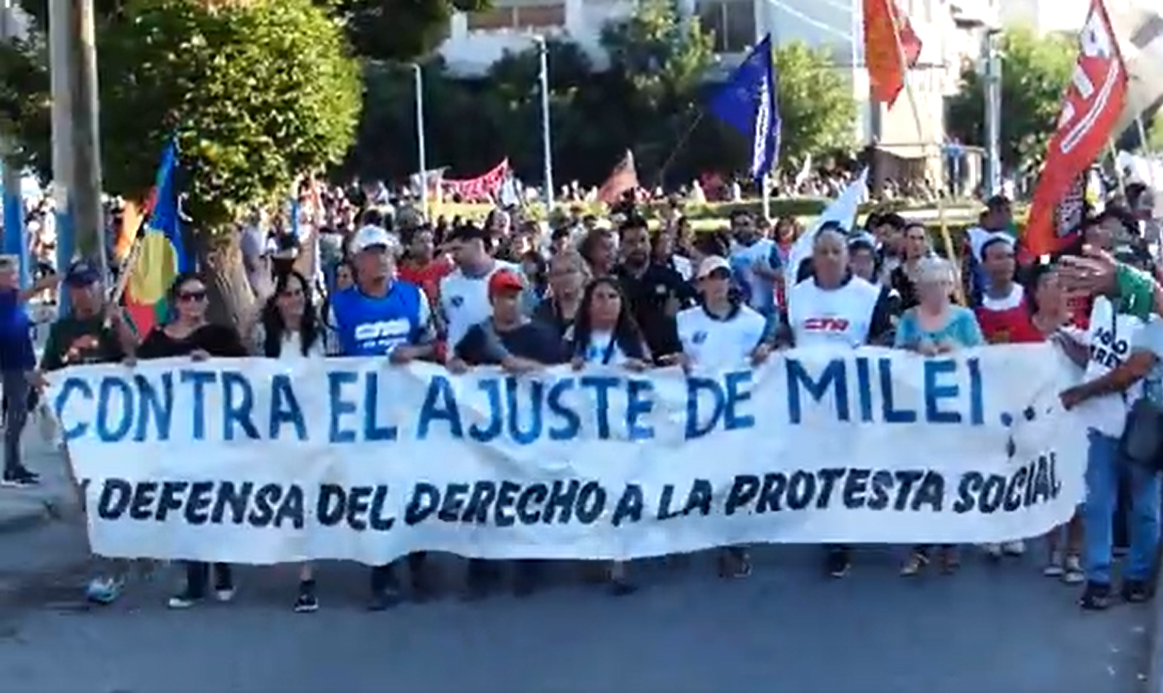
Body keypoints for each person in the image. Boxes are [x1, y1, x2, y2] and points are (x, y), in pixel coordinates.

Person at [327, 224, 437, 610]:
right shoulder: (340, 305)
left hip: (412, 411)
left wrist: (415, 353)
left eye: (386, 253)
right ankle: (382, 573)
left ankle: (420, 567)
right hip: (367, 415)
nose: (381, 260)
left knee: (414, 490)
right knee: (375, 494)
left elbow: (435, 343)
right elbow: (332, 361)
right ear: (356, 261)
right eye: (372, 254)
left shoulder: (413, 296)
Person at [448, 269, 567, 598]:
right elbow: (457, 365)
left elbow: (561, 376)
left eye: (514, 296)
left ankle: (528, 564)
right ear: (491, 300)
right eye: (503, 296)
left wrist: (524, 366)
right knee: (486, 500)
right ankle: (484, 568)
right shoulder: (477, 335)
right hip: (489, 437)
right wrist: (457, 366)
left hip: (530, 432)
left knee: (527, 497)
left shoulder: (541, 335)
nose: (509, 303)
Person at [783, 228, 895, 578]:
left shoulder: (868, 295)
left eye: (836, 251)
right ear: (812, 258)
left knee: (848, 465)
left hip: (852, 397)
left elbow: (883, 338)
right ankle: (830, 532)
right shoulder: (798, 295)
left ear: (848, 256)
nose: (830, 258)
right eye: (823, 252)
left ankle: (842, 537)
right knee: (819, 466)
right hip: (808, 399)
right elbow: (787, 334)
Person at [137, 273, 248, 609]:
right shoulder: (158, 339)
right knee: (185, 507)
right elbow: (141, 374)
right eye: (187, 297)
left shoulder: (220, 335)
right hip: (175, 435)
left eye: (200, 296)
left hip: (214, 432)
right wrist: (129, 367)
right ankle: (195, 580)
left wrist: (215, 364)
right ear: (175, 302)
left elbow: (247, 370)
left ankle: (223, 569)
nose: (194, 303)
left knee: (214, 504)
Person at [663, 256, 772, 579]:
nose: (719, 282)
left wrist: (766, 351)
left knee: (735, 479)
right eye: (712, 276)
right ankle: (695, 536)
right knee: (700, 477)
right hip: (698, 413)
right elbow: (675, 358)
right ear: (700, 284)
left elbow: (769, 356)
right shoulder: (685, 321)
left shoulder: (752, 322)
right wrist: (679, 361)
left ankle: (735, 545)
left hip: (737, 412)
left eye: (723, 276)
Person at [35, 260, 138, 604]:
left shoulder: (112, 319)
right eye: (79, 286)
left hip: (115, 427)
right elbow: (48, 370)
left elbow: (137, 356)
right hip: (79, 430)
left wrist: (119, 322)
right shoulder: (63, 328)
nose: (85, 292)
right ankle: (110, 560)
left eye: (91, 285)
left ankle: (122, 558)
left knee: (117, 492)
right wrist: (41, 381)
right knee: (88, 499)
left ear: (100, 285)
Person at [894, 257, 984, 576]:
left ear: (950, 286)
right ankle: (920, 545)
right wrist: (912, 347)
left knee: (951, 475)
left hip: (953, 409)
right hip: (918, 409)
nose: (934, 291)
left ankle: (951, 542)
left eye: (940, 285)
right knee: (919, 476)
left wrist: (957, 348)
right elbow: (893, 359)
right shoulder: (908, 318)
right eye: (926, 286)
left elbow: (984, 357)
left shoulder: (964, 318)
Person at [567, 277, 651, 595]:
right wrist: (570, 366)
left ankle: (619, 563)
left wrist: (640, 367)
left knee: (620, 494)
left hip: (624, 430)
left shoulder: (631, 339)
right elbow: (554, 376)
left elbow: (654, 376)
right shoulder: (575, 338)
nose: (605, 302)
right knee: (592, 491)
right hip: (586, 430)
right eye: (599, 296)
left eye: (612, 296)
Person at [253, 270, 326, 612]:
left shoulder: (322, 335)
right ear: (277, 301)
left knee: (307, 502)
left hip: (315, 431)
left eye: (300, 293)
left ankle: (306, 577)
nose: (295, 300)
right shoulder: (264, 339)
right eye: (288, 294)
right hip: (276, 432)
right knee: (283, 501)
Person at [1023, 264, 1085, 583]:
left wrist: (1065, 337)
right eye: (1049, 285)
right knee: (1046, 485)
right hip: (1035, 418)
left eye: (1062, 286)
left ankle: (1073, 554)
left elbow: (1091, 364)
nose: (1057, 291)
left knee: (1074, 488)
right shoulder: (1024, 329)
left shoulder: (1080, 329)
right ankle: (1052, 551)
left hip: (1073, 417)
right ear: (1036, 292)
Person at [0, 255, 59, 488]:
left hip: (21, 362)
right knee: (18, 415)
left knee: (21, 411)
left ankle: (15, 465)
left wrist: (34, 321)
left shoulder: (9, 302)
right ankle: (12, 468)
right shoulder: (6, 298)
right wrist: (56, 278)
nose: (15, 278)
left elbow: (13, 323)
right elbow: (33, 290)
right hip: (15, 364)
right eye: (10, 274)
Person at [615, 216, 694, 360]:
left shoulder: (670, 278)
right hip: (625, 361)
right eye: (631, 242)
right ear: (621, 246)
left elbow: (693, 312)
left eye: (643, 240)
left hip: (668, 359)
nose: (638, 247)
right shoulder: (612, 281)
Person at [532, 249, 588, 338]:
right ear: (550, 279)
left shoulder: (597, 308)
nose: (564, 278)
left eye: (570, 271)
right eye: (557, 273)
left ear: (584, 275)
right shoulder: (541, 311)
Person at [888, 222, 931, 310]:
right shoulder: (894, 275)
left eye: (921, 238)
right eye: (912, 238)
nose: (917, 243)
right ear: (904, 241)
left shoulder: (937, 272)